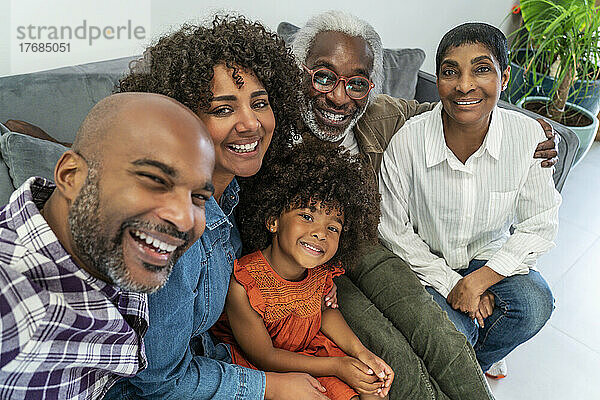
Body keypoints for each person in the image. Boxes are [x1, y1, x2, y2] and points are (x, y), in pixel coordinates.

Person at [289, 11, 561, 399]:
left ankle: (473, 366)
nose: (339, 95)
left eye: (357, 83)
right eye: (323, 76)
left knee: (529, 304)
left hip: (388, 248)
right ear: (300, 72)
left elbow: (450, 113)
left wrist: (531, 129)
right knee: (415, 344)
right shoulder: (270, 127)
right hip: (349, 261)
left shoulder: (381, 114)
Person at [104, 15, 331, 400]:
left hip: (211, 358)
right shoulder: (170, 229)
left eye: (259, 103)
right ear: (180, 120)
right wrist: (271, 386)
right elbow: (156, 381)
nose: (251, 124)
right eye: (223, 109)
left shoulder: (232, 192)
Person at [0, 92, 216, 399]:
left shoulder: (102, 241)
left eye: (198, 198)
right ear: (70, 176)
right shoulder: (13, 304)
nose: (183, 219)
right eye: (154, 180)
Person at [378, 22, 561, 381]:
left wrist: (478, 282)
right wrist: (451, 283)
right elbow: (392, 229)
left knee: (535, 303)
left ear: (504, 77)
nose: (464, 86)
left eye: (482, 69)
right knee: (451, 332)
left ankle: (471, 366)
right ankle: (460, 364)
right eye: (450, 72)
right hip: (425, 263)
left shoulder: (528, 137)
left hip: (487, 254)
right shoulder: (408, 141)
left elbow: (540, 223)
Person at [213, 141, 393, 400]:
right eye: (307, 216)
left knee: (373, 389)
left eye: (333, 228)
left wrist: (361, 353)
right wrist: (337, 367)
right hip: (269, 368)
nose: (321, 233)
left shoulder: (320, 272)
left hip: (311, 351)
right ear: (273, 220)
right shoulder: (244, 285)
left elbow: (323, 313)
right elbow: (265, 357)